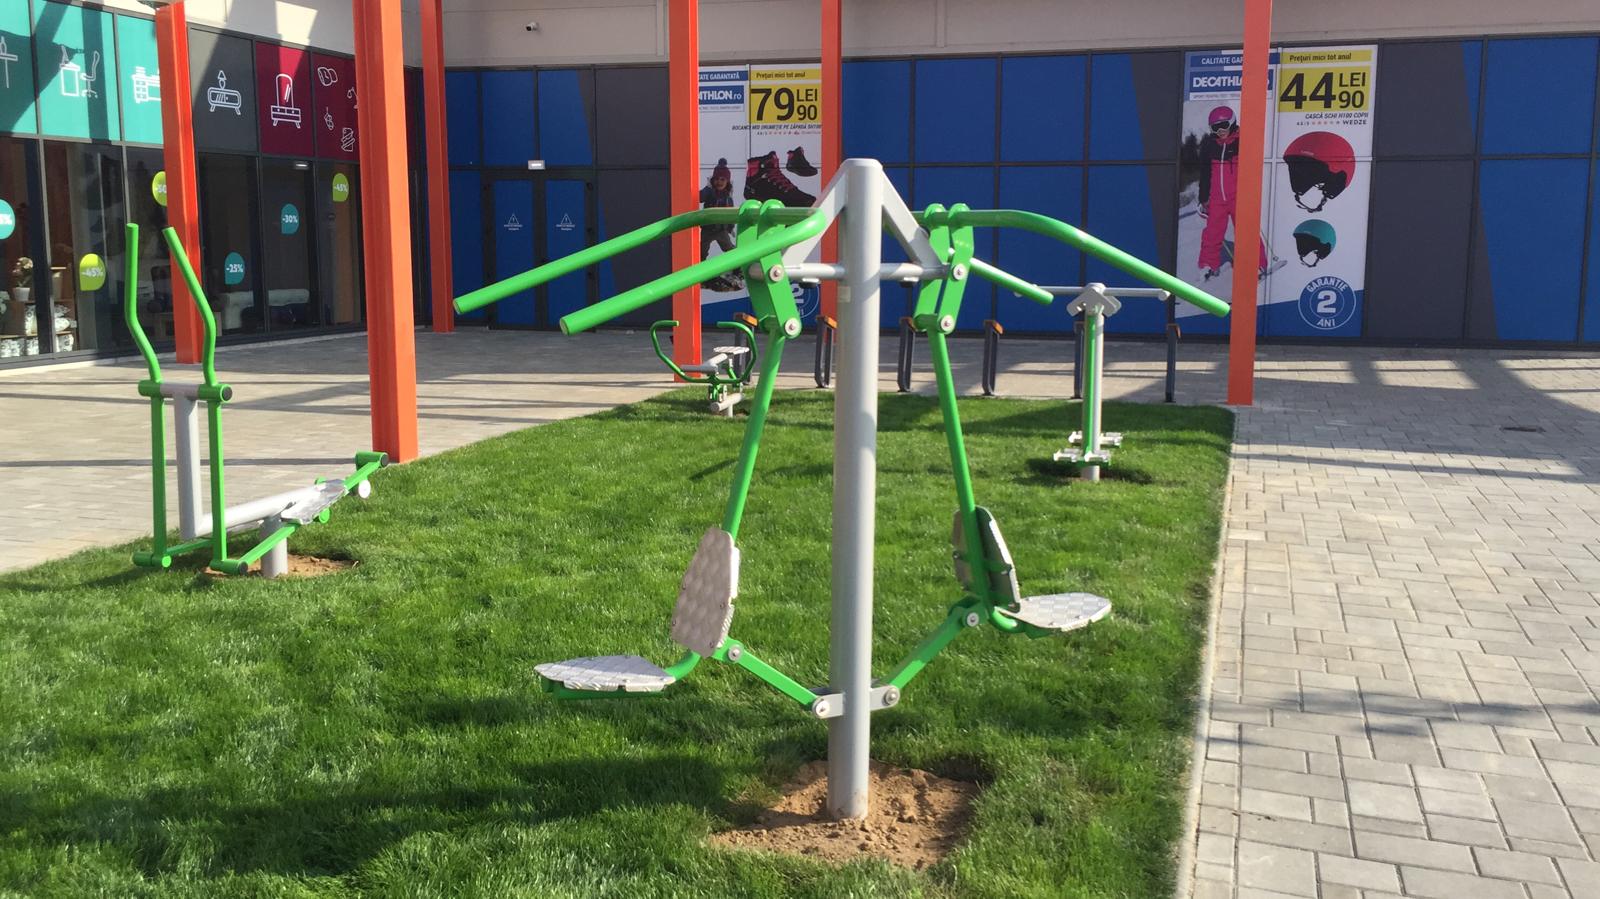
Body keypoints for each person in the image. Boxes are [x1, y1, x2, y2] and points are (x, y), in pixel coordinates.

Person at [1197, 106, 1265, 282]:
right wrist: (1203, 197)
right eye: (1216, 127)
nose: (1221, 131)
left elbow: (1252, 169)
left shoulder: (1242, 142)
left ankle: (1255, 264)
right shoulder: (1209, 145)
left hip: (1239, 197)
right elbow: (1205, 173)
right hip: (1217, 198)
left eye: (1224, 125)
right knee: (1212, 233)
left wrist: (1251, 193)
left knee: (1246, 231)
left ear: (1233, 122)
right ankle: (1208, 265)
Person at [699, 158, 742, 292]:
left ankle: (738, 267)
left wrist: (730, 226)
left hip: (721, 229)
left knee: (728, 247)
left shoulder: (728, 196)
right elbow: (700, 197)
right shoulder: (710, 192)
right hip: (708, 228)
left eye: (723, 179)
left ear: (727, 181)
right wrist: (707, 188)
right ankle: (700, 271)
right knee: (702, 250)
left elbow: (730, 212)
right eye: (717, 179)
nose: (719, 182)